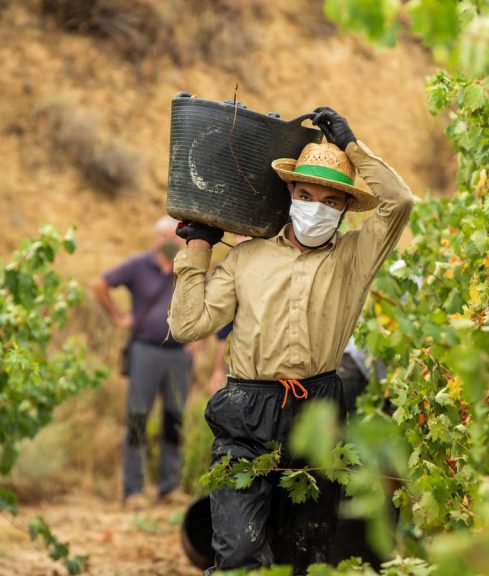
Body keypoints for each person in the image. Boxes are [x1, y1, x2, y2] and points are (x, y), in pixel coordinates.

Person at [168, 107, 414, 574]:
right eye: (306, 194)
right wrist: (198, 247)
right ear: (289, 193)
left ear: (343, 209)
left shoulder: (354, 258)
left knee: (302, 555)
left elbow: (398, 202)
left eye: (330, 200)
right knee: (239, 554)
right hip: (247, 411)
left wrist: (353, 147)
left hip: (318, 416)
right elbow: (188, 325)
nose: (316, 207)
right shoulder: (247, 259)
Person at [90, 215, 192, 507]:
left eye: (178, 237)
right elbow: (99, 284)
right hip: (145, 351)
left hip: (178, 354)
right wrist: (119, 317)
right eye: (168, 237)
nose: (173, 243)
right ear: (157, 238)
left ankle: (168, 487)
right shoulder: (139, 265)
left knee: (175, 419)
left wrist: (200, 338)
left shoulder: (186, 267)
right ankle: (133, 490)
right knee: (137, 419)